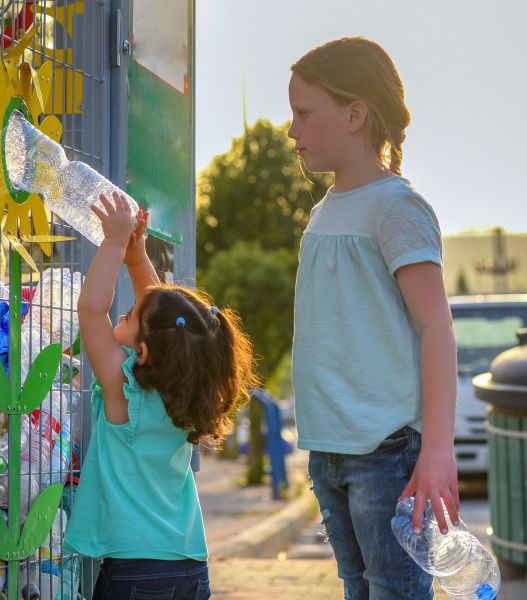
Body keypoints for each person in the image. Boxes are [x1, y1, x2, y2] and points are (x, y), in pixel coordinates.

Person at [288, 37, 459, 599]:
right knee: (357, 590)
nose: (292, 131)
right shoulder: (322, 211)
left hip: (388, 453)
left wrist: (436, 449)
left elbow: (436, 328)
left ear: (355, 114)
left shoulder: (397, 208)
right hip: (329, 452)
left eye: (304, 114)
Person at [64, 193, 257, 599]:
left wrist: (116, 244)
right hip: (189, 564)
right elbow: (163, 318)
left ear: (146, 351)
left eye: (131, 314)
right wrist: (136, 257)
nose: (123, 313)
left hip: (135, 571)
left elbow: (90, 311)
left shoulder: (125, 392)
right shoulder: (185, 397)